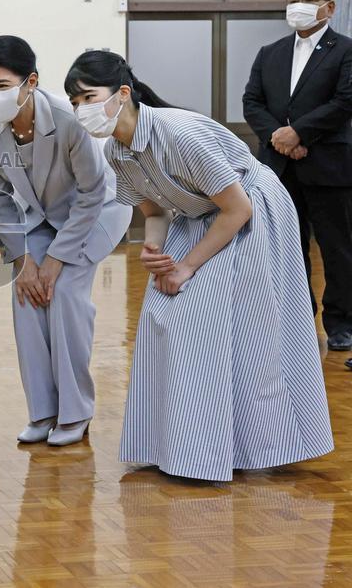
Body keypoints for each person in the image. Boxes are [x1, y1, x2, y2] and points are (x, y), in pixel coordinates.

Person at [65, 50, 332, 481]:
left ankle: (237, 448)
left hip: (252, 210)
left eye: (88, 97)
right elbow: (154, 214)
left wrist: (186, 266)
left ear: (122, 94)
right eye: (74, 102)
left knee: (226, 324)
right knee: (160, 315)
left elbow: (237, 208)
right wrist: (153, 252)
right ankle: (173, 445)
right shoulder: (117, 151)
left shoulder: (179, 133)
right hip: (200, 218)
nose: (81, 110)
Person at [0, 36, 131, 446]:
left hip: (94, 213)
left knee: (63, 297)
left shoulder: (67, 119)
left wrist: (56, 260)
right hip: (39, 218)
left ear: (31, 82)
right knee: (25, 296)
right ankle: (42, 411)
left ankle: (76, 412)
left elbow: (93, 191)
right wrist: (23, 262)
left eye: (2, 85)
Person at [242, 0, 352, 354]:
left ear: (329, 7)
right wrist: (279, 136)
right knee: (289, 247)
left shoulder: (345, 50)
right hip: (279, 169)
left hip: (330, 167)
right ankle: (299, 320)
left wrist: (300, 133)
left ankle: (342, 323)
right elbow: (251, 102)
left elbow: (344, 101)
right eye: (293, 0)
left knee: (338, 249)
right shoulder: (269, 53)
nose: (298, 6)